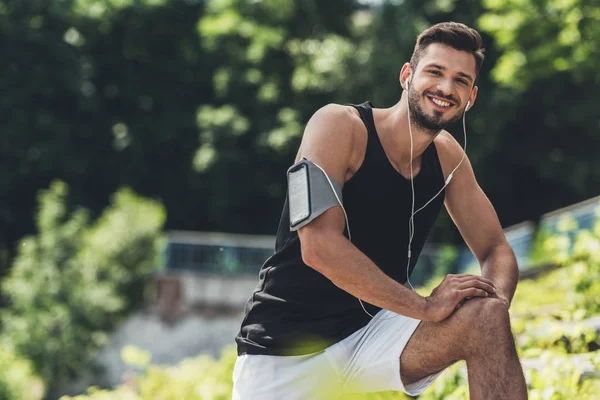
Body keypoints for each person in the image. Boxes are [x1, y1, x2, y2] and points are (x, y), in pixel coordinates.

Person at [233, 22, 528, 400]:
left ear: (471, 97)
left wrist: (496, 307)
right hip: (286, 348)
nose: (445, 88)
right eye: (435, 72)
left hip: (374, 333)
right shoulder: (338, 126)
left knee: (485, 320)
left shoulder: (449, 157)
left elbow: (497, 249)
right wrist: (424, 306)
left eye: (460, 80)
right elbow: (319, 247)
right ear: (407, 75)